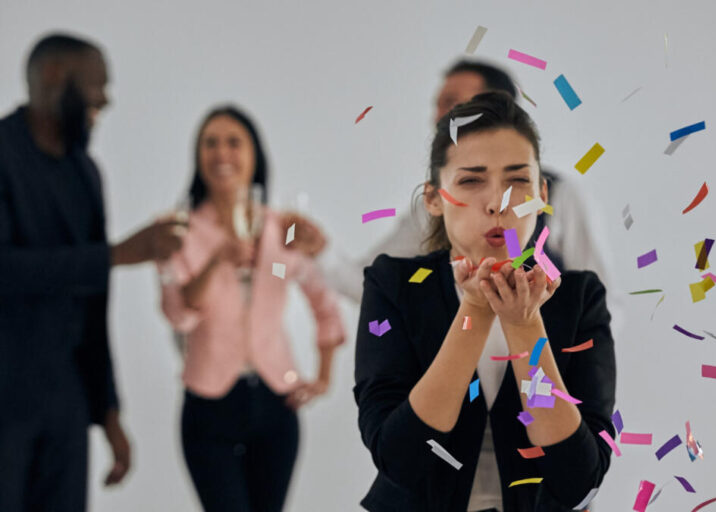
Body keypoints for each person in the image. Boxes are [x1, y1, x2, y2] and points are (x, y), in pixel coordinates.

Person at [354, 91, 616, 511]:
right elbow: (399, 461)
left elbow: (578, 481)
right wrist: (474, 312)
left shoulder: (579, 296)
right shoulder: (393, 283)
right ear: (434, 198)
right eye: (471, 180)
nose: (498, 203)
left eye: (518, 180)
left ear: (542, 194)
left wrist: (524, 324)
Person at [0, 33, 184, 511]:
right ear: (54, 77)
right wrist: (116, 254)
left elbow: (93, 303)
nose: (104, 99)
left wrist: (107, 412)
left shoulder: (86, 172)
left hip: (66, 405)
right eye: (96, 85)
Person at [319, 60, 616, 321]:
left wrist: (574, 365)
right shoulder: (434, 206)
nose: (437, 118)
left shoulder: (564, 197)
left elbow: (602, 302)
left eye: (452, 104)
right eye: (437, 106)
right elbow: (373, 285)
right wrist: (321, 253)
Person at [157, 105, 346, 512]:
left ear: (254, 154)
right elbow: (179, 314)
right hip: (208, 403)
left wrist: (324, 376)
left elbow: (324, 302)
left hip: (276, 401)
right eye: (210, 143)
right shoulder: (179, 231)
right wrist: (216, 261)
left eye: (233, 142)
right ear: (197, 156)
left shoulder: (282, 228)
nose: (222, 153)